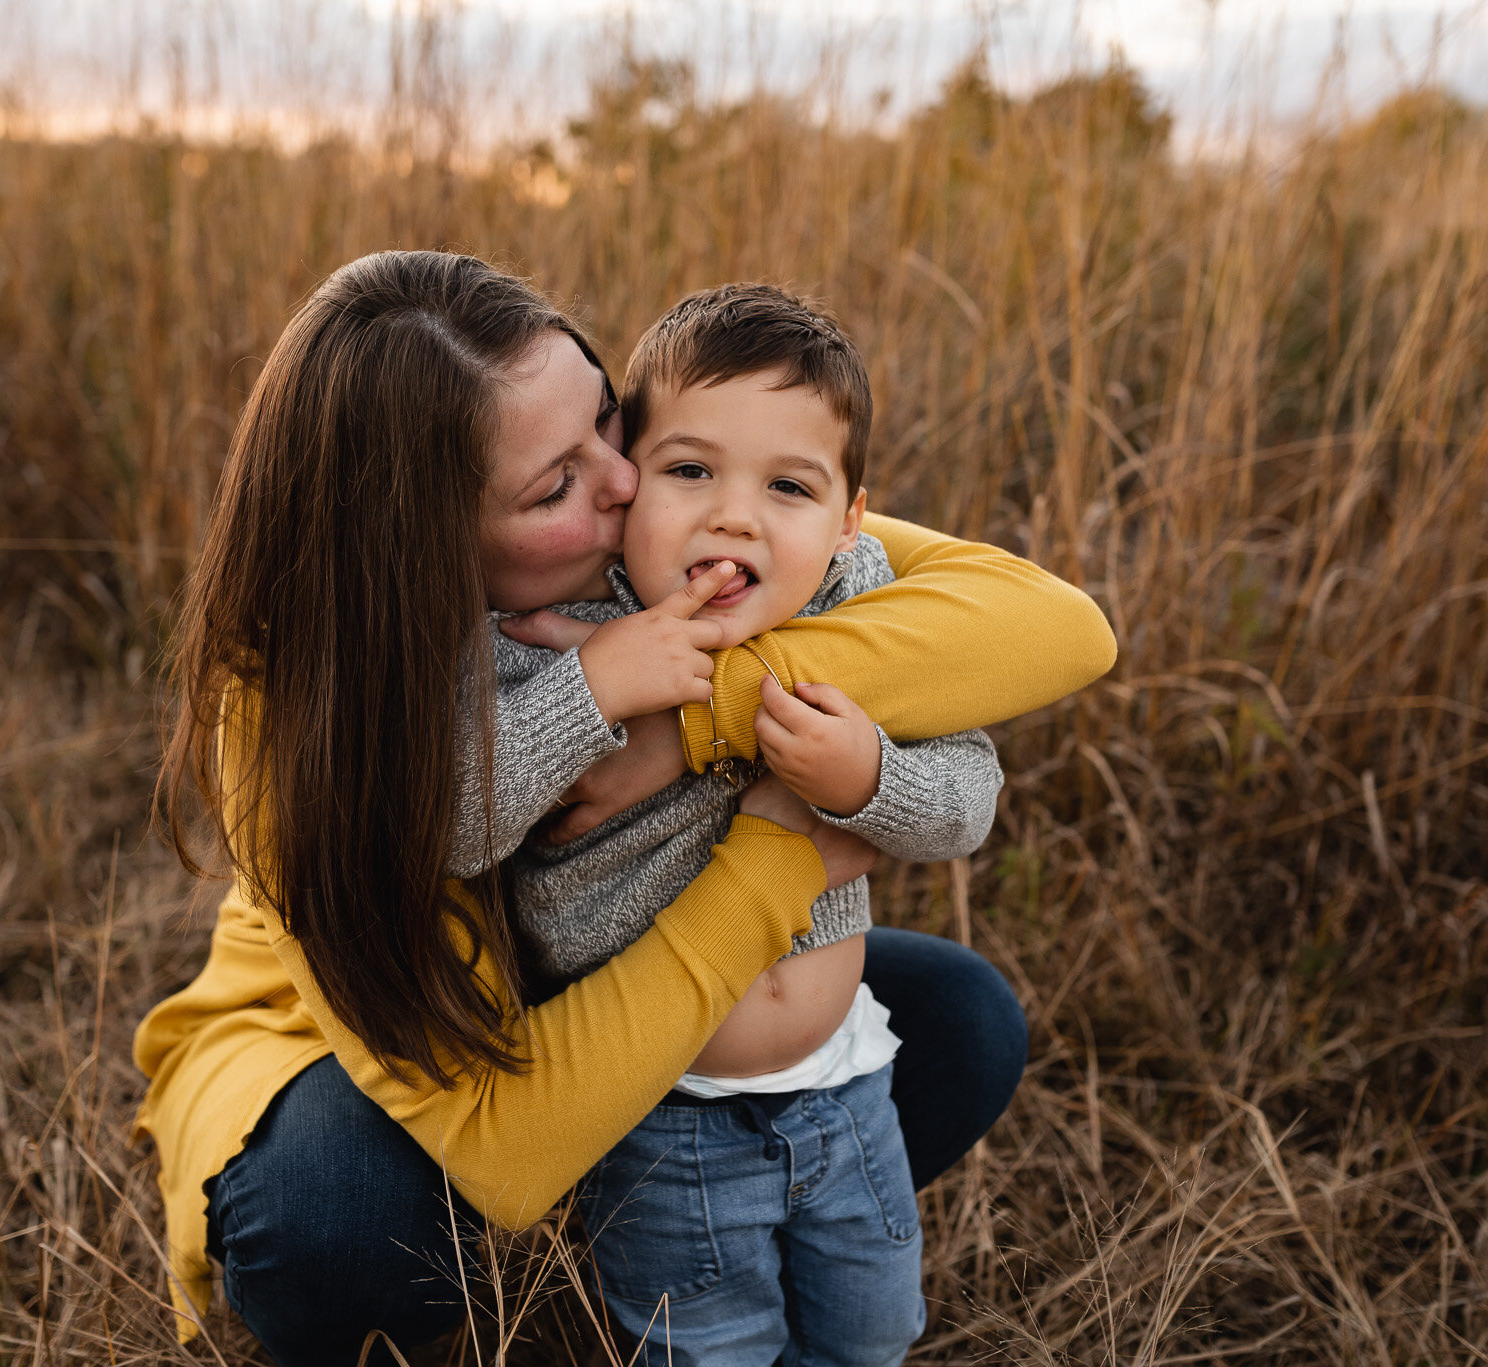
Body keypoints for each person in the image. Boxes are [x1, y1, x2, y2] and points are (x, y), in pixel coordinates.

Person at [133, 251, 1117, 1364]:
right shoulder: (291, 718)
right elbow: (505, 1142)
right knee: (341, 1216)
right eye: (554, 485)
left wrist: (693, 717)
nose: (624, 482)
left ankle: (663, 1238)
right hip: (370, 1050)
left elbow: (1051, 625)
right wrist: (778, 847)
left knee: (962, 1020)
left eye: (610, 420)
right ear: (420, 549)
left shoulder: (694, 515)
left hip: (625, 998)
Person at [467, 282, 1007, 1365]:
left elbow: (969, 798)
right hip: (665, 1116)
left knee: (871, 1332)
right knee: (704, 1346)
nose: (733, 515)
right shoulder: (558, 627)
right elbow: (449, 820)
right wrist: (595, 689)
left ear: (850, 516)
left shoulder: (851, 605)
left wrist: (864, 779)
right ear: (626, 485)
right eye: (689, 470)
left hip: (846, 1084)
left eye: (789, 486)